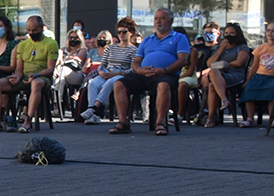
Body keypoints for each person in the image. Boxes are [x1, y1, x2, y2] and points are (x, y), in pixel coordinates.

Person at [110, 8, 191, 136]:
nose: (158, 21)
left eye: (162, 18)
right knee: (119, 84)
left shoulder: (179, 38)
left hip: (166, 75)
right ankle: (123, 122)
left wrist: (164, 70)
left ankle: (160, 123)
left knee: (163, 85)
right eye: (156, 19)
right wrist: (140, 70)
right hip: (144, 75)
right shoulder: (147, 40)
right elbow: (136, 61)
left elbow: (183, 60)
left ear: (171, 21)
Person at [0, 16, 57, 134]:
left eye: (34, 30)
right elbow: (18, 69)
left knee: (36, 83)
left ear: (41, 28)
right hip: (24, 77)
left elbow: (50, 69)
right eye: (28, 30)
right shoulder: (22, 45)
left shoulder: (51, 43)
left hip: (42, 77)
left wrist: (36, 75)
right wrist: (17, 76)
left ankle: (27, 120)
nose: (31, 33)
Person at [81, 22, 137, 124]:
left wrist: (117, 73)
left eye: (124, 32)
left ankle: (94, 108)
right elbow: (103, 63)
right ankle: (93, 114)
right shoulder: (111, 48)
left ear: (130, 33)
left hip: (121, 75)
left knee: (110, 83)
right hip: (107, 72)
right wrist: (101, 71)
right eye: (119, 32)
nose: (121, 34)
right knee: (93, 83)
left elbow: (132, 69)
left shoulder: (134, 50)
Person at [201, 23, 252, 127]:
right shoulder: (221, 48)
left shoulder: (242, 47)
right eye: (227, 33)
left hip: (235, 74)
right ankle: (223, 100)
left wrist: (225, 64)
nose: (229, 35)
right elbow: (209, 63)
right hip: (219, 75)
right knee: (212, 79)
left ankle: (211, 118)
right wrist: (221, 49)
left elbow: (239, 62)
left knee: (213, 79)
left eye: (232, 33)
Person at [238, 22, 274, 127]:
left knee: (272, 92)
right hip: (259, 76)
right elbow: (254, 67)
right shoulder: (260, 48)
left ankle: (272, 118)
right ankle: (250, 118)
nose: (270, 33)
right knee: (248, 91)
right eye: (268, 30)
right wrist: (248, 80)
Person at [179, 21, 220, 122]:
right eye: (206, 32)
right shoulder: (197, 48)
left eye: (211, 32)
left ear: (218, 34)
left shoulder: (220, 48)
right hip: (193, 74)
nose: (208, 35)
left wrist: (203, 72)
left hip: (209, 75)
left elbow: (218, 65)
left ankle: (205, 110)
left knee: (207, 79)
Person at [53, 29, 89, 108]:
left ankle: (57, 105)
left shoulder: (83, 50)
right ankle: (58, 104)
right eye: (71, 37)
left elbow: (78, 58)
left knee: (61, 70)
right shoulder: (63, 50)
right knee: (61, 77)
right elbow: (58, 61)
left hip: (77, 74)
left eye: (76, 37)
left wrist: (66, 58)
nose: (73, 39)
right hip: (63, 74)